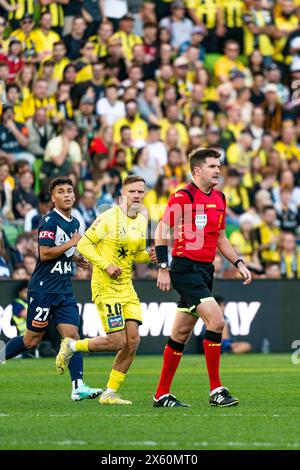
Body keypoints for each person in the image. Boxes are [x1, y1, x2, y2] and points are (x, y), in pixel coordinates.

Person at [153, 147, 252, 408]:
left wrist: (239, 262)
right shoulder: (182, 197)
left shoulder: (220, 198)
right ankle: (216, 390)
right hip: (184, 269)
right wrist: (164, 267)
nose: (218, 169)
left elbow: (221, 238)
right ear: (197, 171)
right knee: (217, 320)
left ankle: (161, 394)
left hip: (206, 270)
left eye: (218, 165)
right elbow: (161, 231)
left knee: (181, 333)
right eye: (212, 166)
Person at [55, 175, 156, 405]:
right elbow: (83, 244)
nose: (137, 195)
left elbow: (135, 254)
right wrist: (106, 265)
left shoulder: (141, 220)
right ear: (123, 194)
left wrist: (148, 256)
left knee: (133, 341)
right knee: (117, 342)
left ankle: (109, 393)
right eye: (133, 192)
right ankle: (71, 345)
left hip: (127, 287)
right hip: (105, 286)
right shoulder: (108, 217)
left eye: (141, 191)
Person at [4, 176, 101, 402]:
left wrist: (76, 258)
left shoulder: (74, 222)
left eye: (69, 191)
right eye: (61, 191)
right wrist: (73, 243)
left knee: (73, 336)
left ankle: (78, 387)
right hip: (43, 289)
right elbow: (45, 253)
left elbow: (65, 250)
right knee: (31, 341)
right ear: (53, 197)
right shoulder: (49, 221)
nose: (66, 194)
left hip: (63, 288)